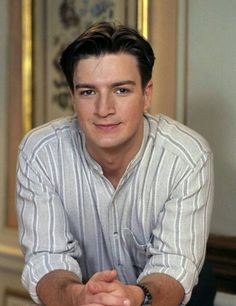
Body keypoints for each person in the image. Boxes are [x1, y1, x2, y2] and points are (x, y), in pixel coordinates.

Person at [16, 21, 214, 306]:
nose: (104, 109)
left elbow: (174, 265)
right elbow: (46, 258)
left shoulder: (187, 157)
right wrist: (80, 297)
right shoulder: (40, 153)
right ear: (72, 97)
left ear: (147, 95)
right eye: (88, 92)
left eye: (121, 90)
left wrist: (133, 298)